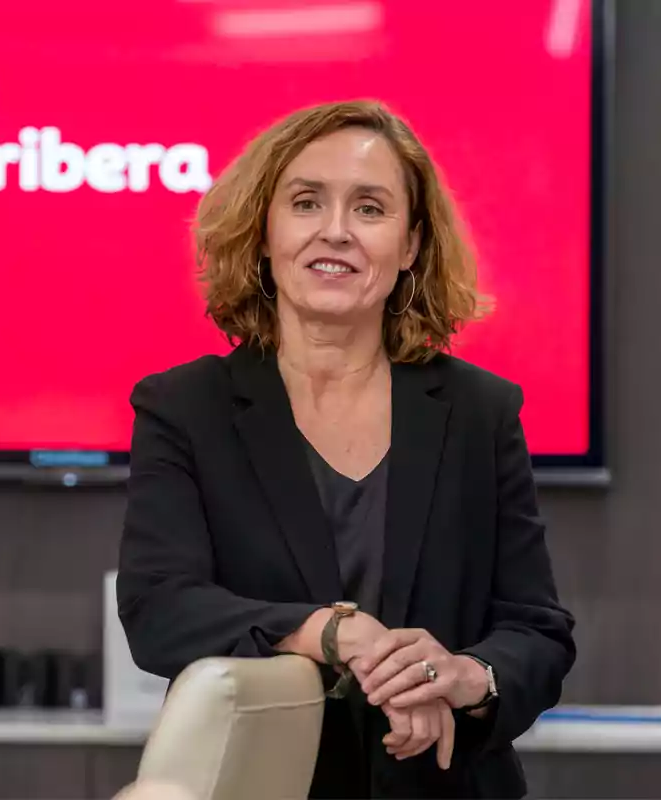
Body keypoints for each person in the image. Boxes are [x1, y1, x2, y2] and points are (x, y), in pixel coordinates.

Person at [117, 99, 575, 799]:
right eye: (306, 203)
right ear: (265, 231)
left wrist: (467, 676)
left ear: (412, 245)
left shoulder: (480, 411)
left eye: (369, 208)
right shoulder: (185, 407)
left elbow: (537, 632)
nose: (336, 232)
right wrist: (330, 633)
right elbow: (161, 610)